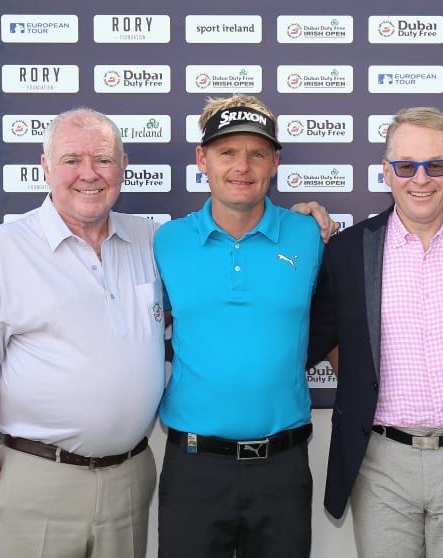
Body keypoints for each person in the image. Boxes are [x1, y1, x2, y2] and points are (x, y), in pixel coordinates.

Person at [0, 108, 163, 557]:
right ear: (45, 168)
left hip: (130, 480)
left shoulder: (152, 241)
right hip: (38, 483)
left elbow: (225, 243)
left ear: (124, 167)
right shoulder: (4, 250)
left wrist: (303, 218)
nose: (89, 174)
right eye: (71, 160)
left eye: (103, 159)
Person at [307, 106, 443, 557]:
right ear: (386, 171)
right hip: (380, 460)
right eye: (406, 166)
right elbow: (312, 335)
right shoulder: (345, 251)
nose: (421, 179)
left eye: (435, 165)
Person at [154, 94, 331, 558]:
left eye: (256, 153)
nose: (242, 166)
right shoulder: (167, 241)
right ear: (202, 160)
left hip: (283, 467)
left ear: (275, 162)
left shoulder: (309, 235)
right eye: (227, 152)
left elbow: (338, 325)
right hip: (193, 467)